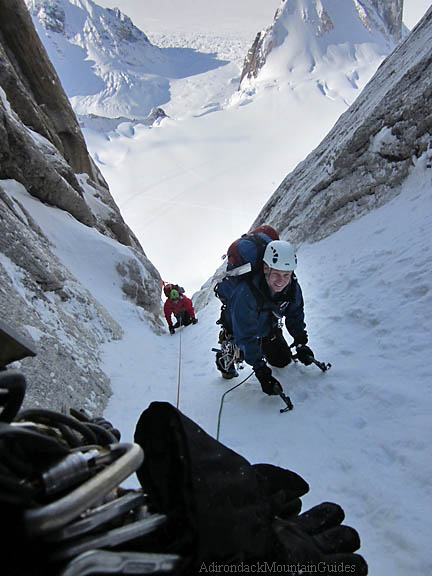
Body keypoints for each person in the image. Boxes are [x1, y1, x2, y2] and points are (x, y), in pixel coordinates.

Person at [216, 239, 314, 394]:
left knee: (282, 361)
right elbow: (246, 336)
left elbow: (295, 314)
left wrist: (301, 341)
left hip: (268, 327)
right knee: (234, 361)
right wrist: (261, 370)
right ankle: (225, 353)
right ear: (265, 268)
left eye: (286, 275)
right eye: (276, 274)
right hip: (238, 329)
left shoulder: (292, 287)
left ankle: (264, 345)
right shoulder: (246, 294)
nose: (281, 282)